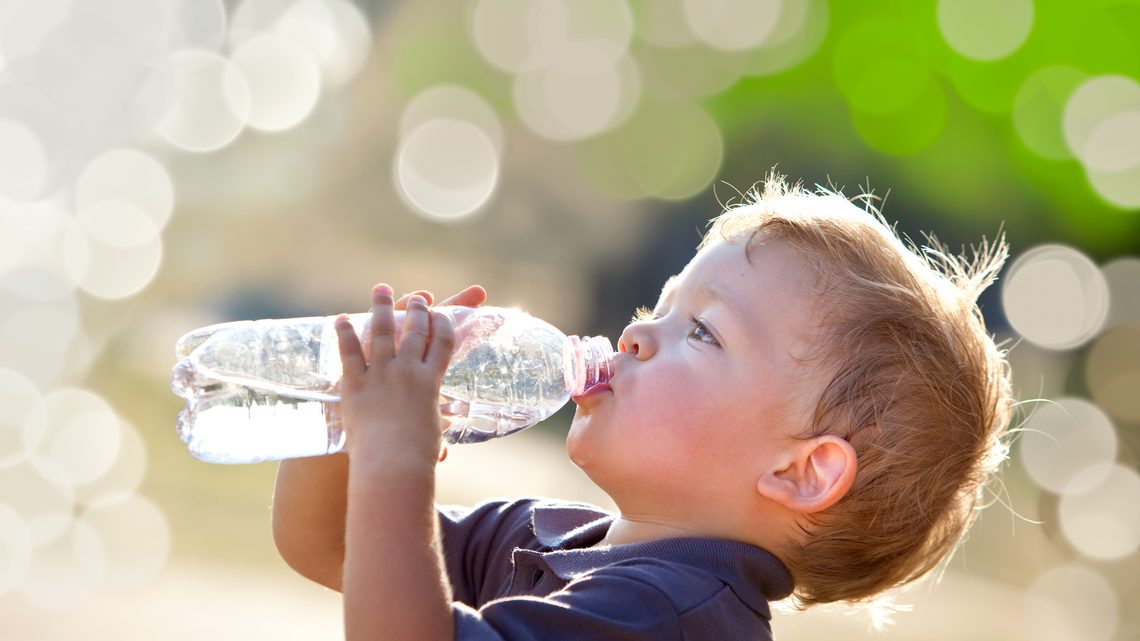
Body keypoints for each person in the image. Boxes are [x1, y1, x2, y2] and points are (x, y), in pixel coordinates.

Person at [271, 174, 1014, 641]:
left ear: (801, 470)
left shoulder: (673, 616)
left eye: (700, 330)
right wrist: (348, 407)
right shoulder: (552, 536)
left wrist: (395, 457)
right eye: (657, 305)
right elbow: (329, 541)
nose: (634, 334)